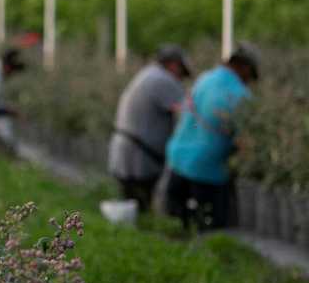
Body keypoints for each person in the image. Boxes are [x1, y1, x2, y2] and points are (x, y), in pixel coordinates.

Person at [164, 44, 260, 231]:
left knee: (177, 230)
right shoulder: (241, 95)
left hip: (177, 161)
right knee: (210, 232)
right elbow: (245, 140)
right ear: (246, 68)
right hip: (207, 171)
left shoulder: (204, 79)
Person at [107, 46, 192, 211]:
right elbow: (188, 114)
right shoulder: (163, 81)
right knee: (139, 208)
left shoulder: (148, 74)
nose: (181, 79)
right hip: (139, 159)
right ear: (174, 65)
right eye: (181, 72)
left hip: (128, 153)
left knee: (132, 207)